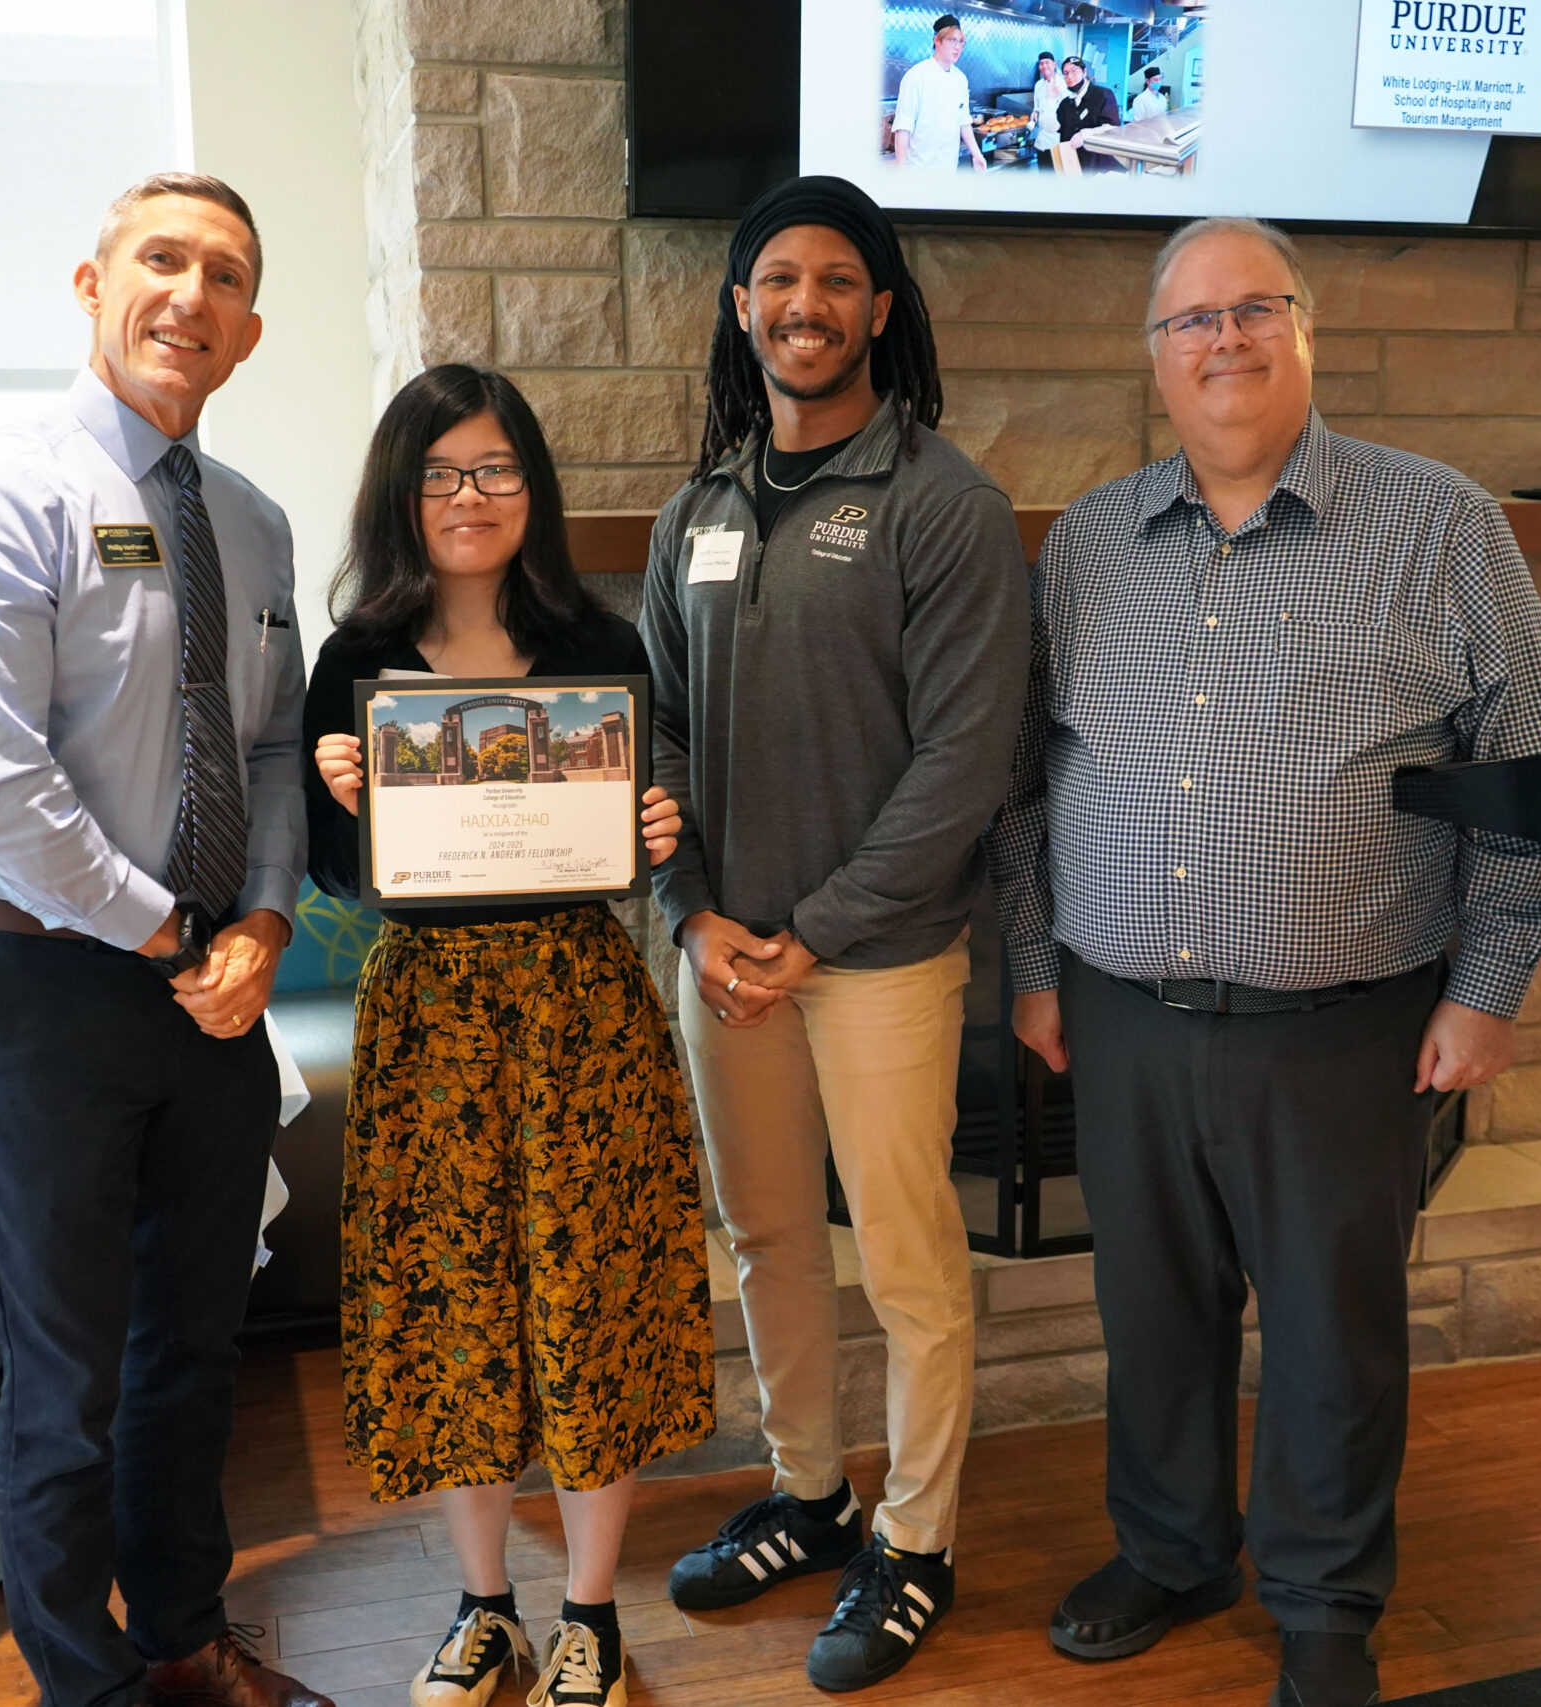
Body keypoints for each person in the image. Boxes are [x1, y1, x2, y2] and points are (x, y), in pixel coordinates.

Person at [986, 216, 1541, 1707]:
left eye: (1256, 310)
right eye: (1192, 321)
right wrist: (1038, 968)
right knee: (1153, 1314)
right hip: (1122, 1014)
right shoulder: (1091, 544)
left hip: (1345, 1023)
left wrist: (1489, 985)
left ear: (1307, 332)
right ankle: (1175, 1548)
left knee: (1331, 1328)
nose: (1225, 341)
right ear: (1156, 360)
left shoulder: (1441, 526)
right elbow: (1024, 775)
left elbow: (1534, 766)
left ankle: (1323, 1597)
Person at [0, 173, 330, 1707]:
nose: (190, 295)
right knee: (66, 1378)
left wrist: (267, 919)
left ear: (251, 331)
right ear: (89, 284)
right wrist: (170, 931)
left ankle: (182, 1642)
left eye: (224, 275)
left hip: (213, 989)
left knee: (194, 1352)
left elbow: (273, 750)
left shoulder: (258, 526)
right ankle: (83, 1688)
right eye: (162, 259)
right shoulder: (1, 491)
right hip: (41, 987)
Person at [641, 175, 1030, 1693]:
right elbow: (655, 734)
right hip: (723, 957)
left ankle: (917, 1535)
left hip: (875, 962)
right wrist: (693, 913)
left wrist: (812, 931)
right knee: (767, 1236)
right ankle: (811, 1494)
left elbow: (967, 759)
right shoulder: (698, 510)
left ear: (879, 308)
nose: (804, 303)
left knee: (911, 1258)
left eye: (836, 279)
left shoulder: (944, 500)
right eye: (775, 280)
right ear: (742, 310)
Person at [306, 364, 715, 1707]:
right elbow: (331, 871)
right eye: (439, 473)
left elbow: (631, 845)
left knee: (595, 1297)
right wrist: (338, 792)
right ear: (400, 495)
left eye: (493, 470)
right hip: (429, 1012)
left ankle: (590, 1610)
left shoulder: (602, 650)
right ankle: (485, 1606)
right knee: (454, 1304)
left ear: (530, 489)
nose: (468, 497)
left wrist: (659, 832)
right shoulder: (355, 664)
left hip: (580, 1012)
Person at [892, 14, 987, 173]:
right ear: (937, 40)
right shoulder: (916, 76)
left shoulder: (961, 79)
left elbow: (963, 121)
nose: (958, 47)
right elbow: (903, 126)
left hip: (949, 169)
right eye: (952, 40)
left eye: (961, 42)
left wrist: (977, 155)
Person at [1057, 57, 1126, 172]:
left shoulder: (1103, 95)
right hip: (1075, 163)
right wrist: (1051, 99)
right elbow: (1059, 129)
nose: (1069, 76)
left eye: (1074, 71)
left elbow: (1111, 127)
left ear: (1084, 72)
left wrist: (1084, 134)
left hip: (1100, 163)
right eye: (1066, 73)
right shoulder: (1066, 103)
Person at [1030, 51, 1071, 170]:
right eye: (1041, 64)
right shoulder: (1038, 85)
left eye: (1047, 63)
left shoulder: (1063, 84)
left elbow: (1069, 110)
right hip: (1042, 138)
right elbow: (1037, 106)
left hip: (1057, 139)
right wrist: (1035, 112)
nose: (1044, 66)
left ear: (1054, 64)